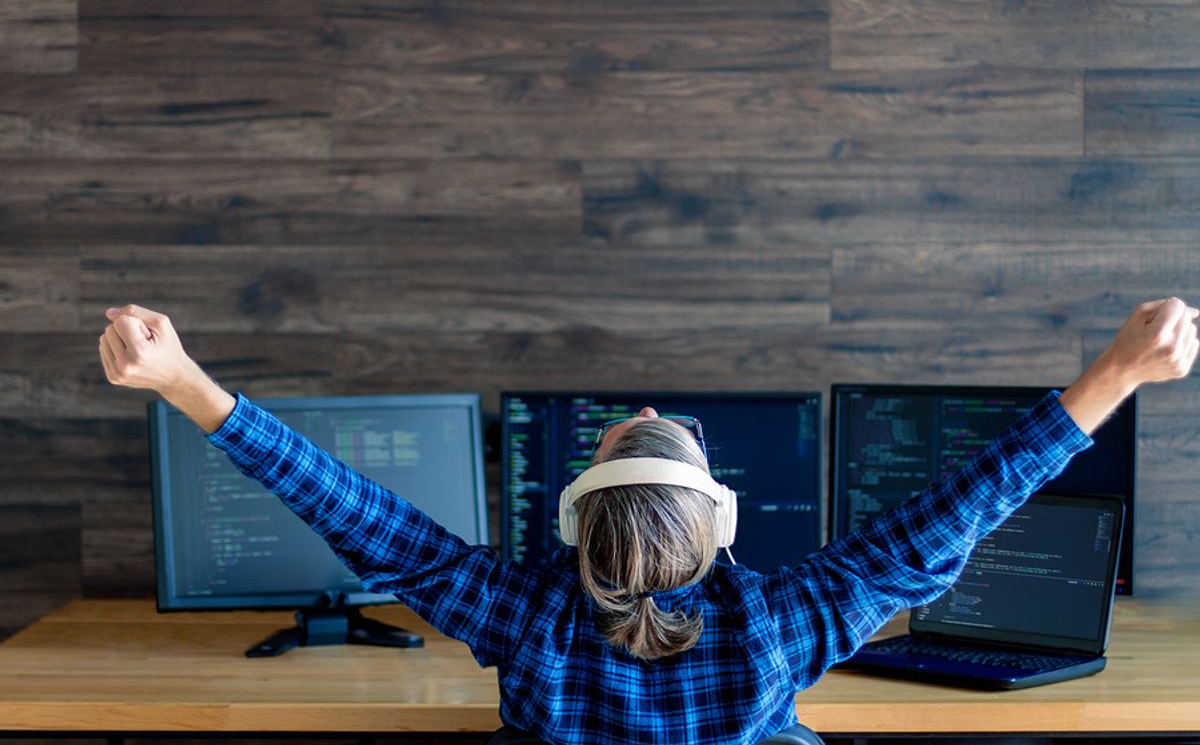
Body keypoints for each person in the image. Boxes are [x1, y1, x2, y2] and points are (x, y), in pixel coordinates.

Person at [98, 299, 1198, 745]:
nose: (652, 410)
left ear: (580, 524)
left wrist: (190, 380)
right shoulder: (780, 622)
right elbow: (956, 512)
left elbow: (351, 509)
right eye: (657, 431)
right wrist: (1112, 372)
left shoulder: (520, 612)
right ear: (718, 528)